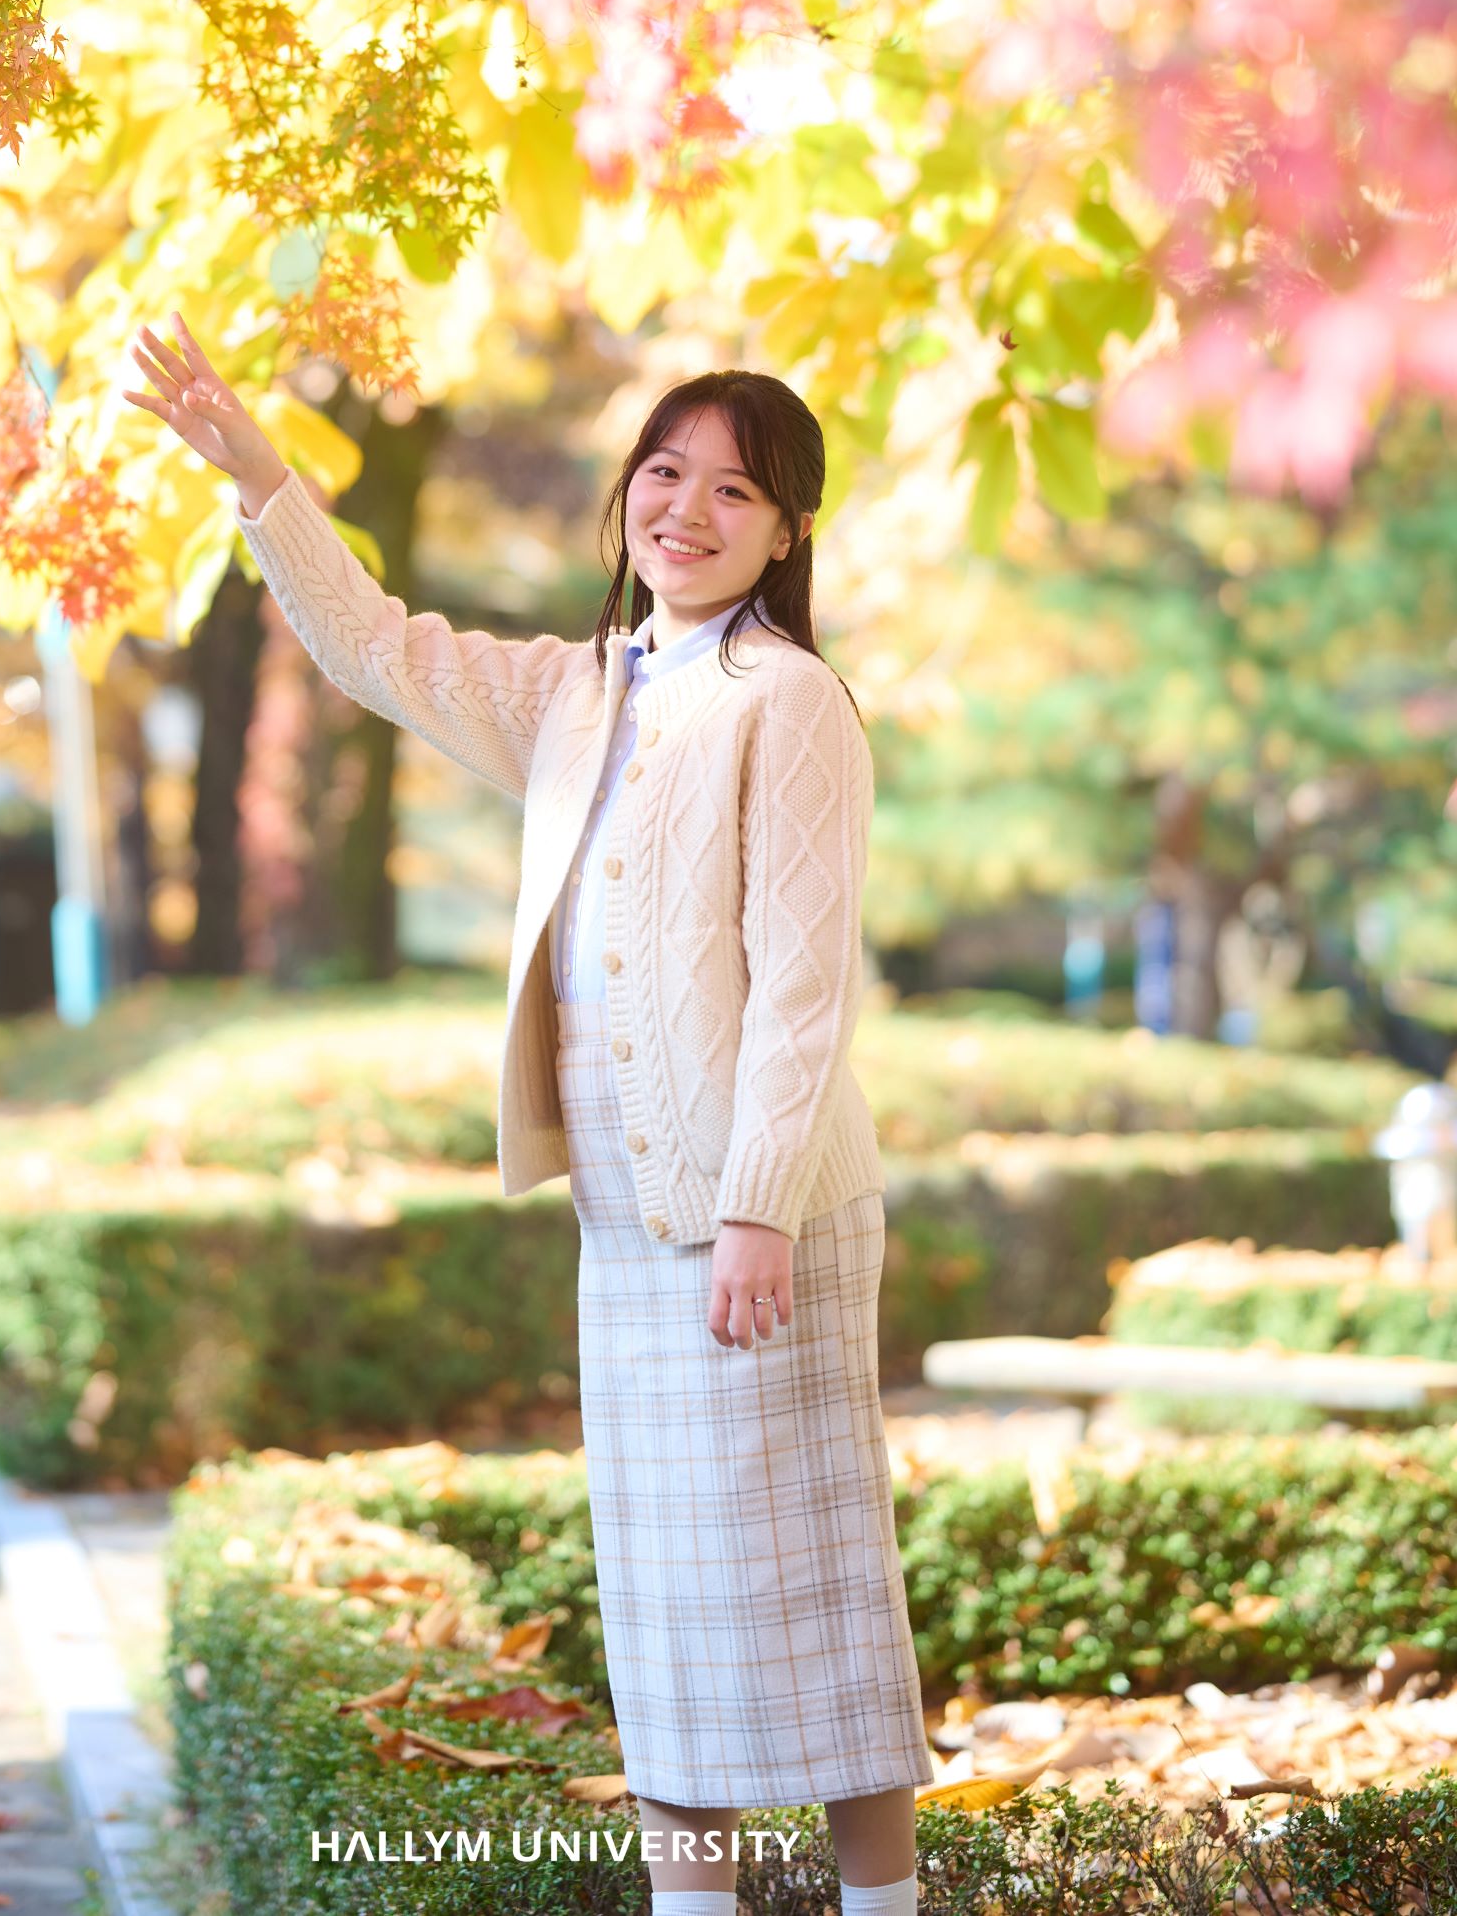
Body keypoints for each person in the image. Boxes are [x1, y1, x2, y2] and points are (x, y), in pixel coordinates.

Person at [125, 314, 931, 1916]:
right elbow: (373, 648)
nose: (686, 510)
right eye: (666, 471)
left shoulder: (793, 702)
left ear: (786, 533)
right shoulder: (576, 693)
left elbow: (804, 983)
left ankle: (883, 1906)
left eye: (735, 492)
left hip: (765, 1215)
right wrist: (257, 473)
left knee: (813, 1595)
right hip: (627, 1223)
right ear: (627, 488)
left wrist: (759, 1208)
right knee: (668, 1600)